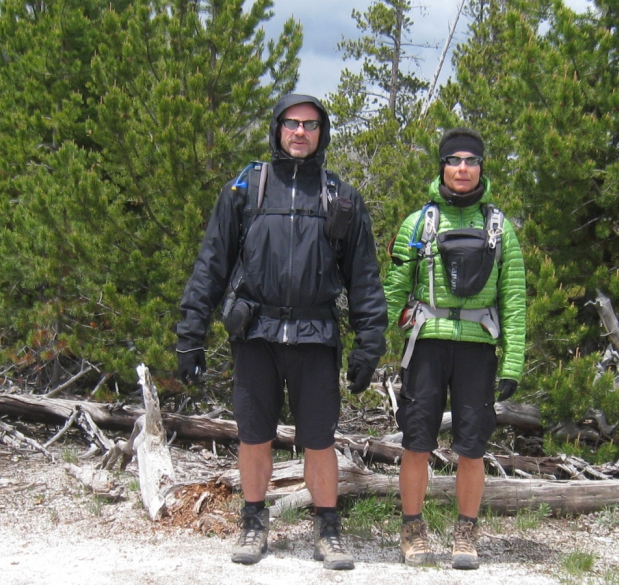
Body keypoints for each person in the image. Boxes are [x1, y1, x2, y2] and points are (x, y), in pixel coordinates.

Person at [176, 94, 387, 570]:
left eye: (310, 126)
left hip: (315, 335)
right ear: (276, 129)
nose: (299, 133)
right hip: (256, 332)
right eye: (291, 124)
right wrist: (191, 332)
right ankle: (253, 523)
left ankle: (328, 530)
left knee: (319, 439)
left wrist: (368, 343)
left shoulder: (341, 197)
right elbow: (211, 264)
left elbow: (364, 278)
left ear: (322, 134)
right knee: (253, 435)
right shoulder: (246, 189)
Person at [384, 128, 526, 570]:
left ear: (482, 166)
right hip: (426, 346)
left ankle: (466, 532)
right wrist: (367, 345)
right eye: (454, 160)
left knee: (472, 446)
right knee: (416, 441)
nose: (462, 168)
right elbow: (393, 291)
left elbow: (515, 299)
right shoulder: (417, 224)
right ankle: (412, 528)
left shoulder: (500, 228)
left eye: (471, 160)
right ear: (442, 166)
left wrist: (514, 361)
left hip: (478, 351)